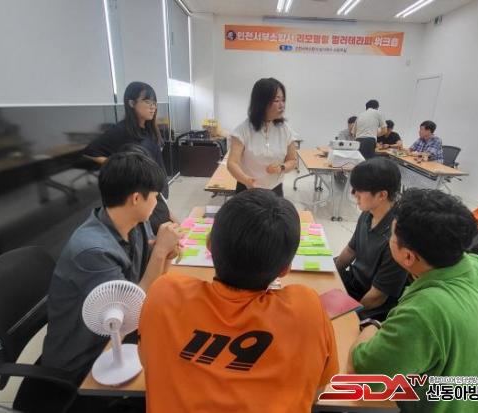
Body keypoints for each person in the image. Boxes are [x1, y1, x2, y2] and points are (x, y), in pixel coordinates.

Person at [138, 189, 338, 413]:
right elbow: (318, 391)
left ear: (209, 246)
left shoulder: (164, 295)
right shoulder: (307, 310)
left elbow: (148, 362)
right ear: (285, 270)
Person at [347, 189, 478, 413]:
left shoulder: (422, 313)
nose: (389, 240)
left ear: (408, 256)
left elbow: (364, 375)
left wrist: (373, 326)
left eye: (392, 236)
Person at [41, 152, 181, 385]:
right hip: (87, 360)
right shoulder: (92, 252)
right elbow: (130, 312)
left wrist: (166, 256)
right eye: (155, 196)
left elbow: (149, 287)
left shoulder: (136, 223)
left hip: (119, 339)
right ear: (136, 198)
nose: (157, 203)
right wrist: (159, 252)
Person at [83, 81, 174, 232]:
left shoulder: (150, 128)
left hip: (158, 190)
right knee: (152, 232)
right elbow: (90, 151)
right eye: (147, 101)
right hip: (142, 194)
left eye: (154, 103)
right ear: (131, 103)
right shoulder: (121, 130)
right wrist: (124, 167)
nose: (153, 107)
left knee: (167, 225)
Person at [334, 158, 408, 320]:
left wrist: (347, 314)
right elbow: (351, 250)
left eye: (359, 190)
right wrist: (333, 273)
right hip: (355, 282)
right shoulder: (367, 213)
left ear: (382, 195)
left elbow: (377, 297)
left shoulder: (397, 237)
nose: (354, 194)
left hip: (371, 302)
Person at [227, 78, 297, 197]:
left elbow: (293, 160)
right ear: (261, 103)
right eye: (276, 100)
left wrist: (281, 167)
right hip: (248, 188)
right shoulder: (242, 130)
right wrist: (246, 180)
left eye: (283, 100)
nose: (282, 105)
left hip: (275, 189)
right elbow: (232, 163)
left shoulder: (285, 129)